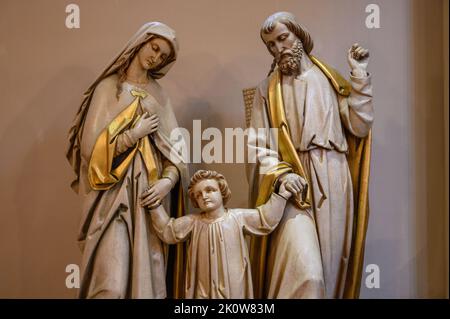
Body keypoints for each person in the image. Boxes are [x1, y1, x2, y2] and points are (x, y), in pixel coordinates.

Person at [247, 12, 373, 298]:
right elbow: (258, 146)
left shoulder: (329, 80)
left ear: (299, 35)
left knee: (331, 263)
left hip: (333, 174)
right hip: (293, 185)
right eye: (271, 45)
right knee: (305, 271)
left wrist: (359, 75)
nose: (279, 49)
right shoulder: (267, 91)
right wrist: (281, 177)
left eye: (283, 38)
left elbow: (359, 126)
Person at [66, 22, 189, 298]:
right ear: (140, 41)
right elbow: (89, 150)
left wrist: (166, 185)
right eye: (154, 48)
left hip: (148, 200)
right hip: (111, 201)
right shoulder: (109, 88)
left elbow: (178, 155)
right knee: (110, 283)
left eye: (162, 56)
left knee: (148, 283)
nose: (155, 58)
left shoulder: (159, 95)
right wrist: (133, 134)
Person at [148, 170, 292, 298]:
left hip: (235, 288)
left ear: (222, 192)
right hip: (203, 288)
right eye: (198, 195)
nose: (204, 196)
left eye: (210, 190)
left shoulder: (238, 217)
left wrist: (282, 196)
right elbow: (168, 231)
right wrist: (154, 206)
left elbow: (265, 219)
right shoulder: (193, 222)